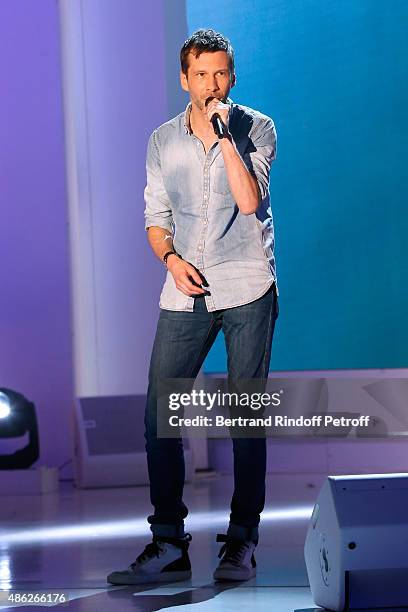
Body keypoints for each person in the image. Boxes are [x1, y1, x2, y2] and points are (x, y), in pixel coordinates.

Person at [107, 28, 278, 586]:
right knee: (162, 411)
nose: (211, 84)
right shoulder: (162, 141)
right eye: (201, 75)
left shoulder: (257, 128)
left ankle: (242, 542)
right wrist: (170, 260)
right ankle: (167, 542)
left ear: (233, 77)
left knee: (244, 417)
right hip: (187, 288)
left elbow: (250, 201)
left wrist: (227, 139)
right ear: (184, 79)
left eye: (221, 73)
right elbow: (156, 218)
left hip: (248, 284)